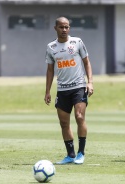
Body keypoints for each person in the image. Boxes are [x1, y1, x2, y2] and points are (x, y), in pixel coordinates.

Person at [44, 17, 94, 164]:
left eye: (67, 27)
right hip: (62, 89)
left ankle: (81, 153)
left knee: (79, 117)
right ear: (55, 28)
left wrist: (90, 82)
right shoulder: (51, 47)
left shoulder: (77, 42)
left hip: (78, 86)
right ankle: (70, 155)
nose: (64, 30)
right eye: (61, 27)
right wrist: (47, 91)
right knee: (64, 123)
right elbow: (49, 70)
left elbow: (87, 62)